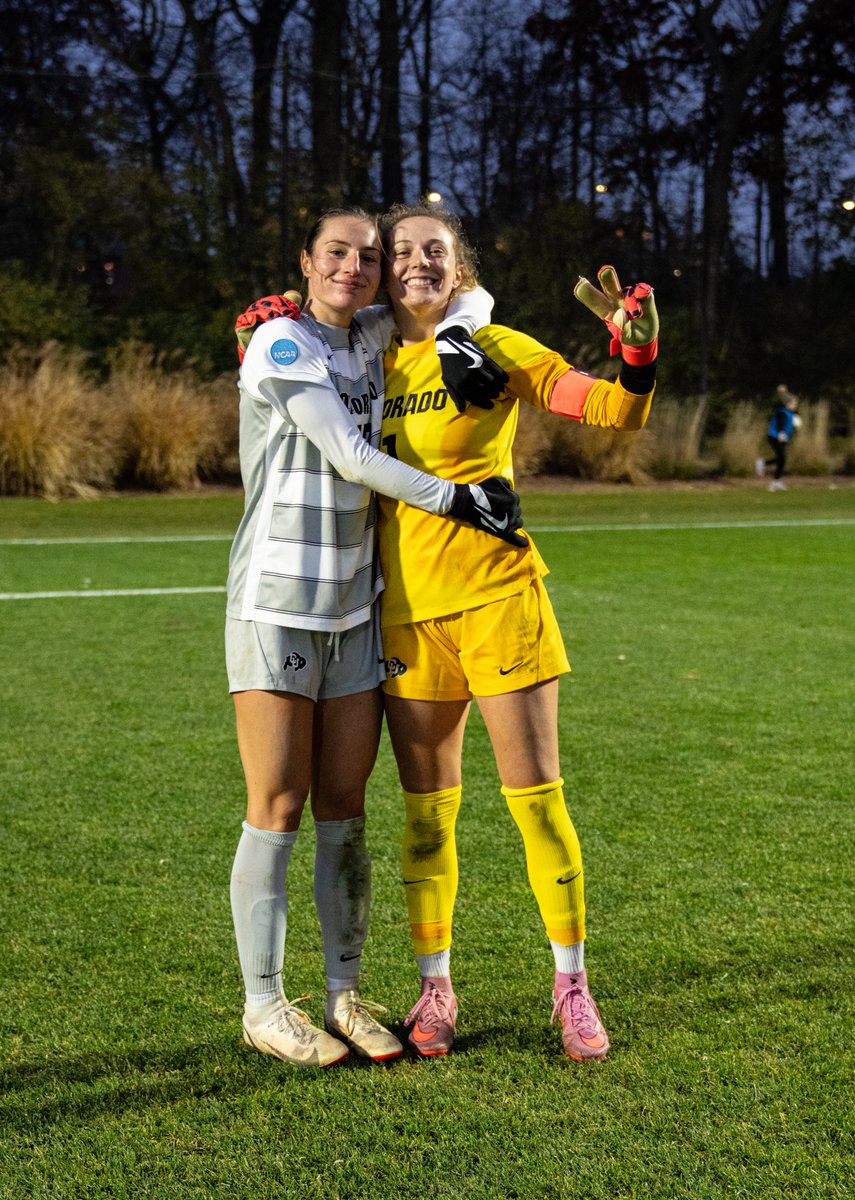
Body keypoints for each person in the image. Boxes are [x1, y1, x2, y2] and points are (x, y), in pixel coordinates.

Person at [227, 206, 520, 1069]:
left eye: (367, 257)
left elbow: (469, 296)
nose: (356, 268)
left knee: (345, 815)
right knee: (277, 810)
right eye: (338, 254)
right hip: (278, 606)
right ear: (306, 263)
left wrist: (464, 333)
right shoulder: (280, 345)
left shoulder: (374, 335)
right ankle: (264, 1005)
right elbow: (352, 456)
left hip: (356, 608)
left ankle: (345, 995)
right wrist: (459, 499)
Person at [374, 202, 658, 1062]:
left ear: (459, 266)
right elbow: (279, 383)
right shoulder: (359, 354)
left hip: (500, 596)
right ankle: (434, 989)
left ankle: (571, 985)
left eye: (435, 249)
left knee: (536, 804)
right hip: (406, 614)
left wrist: (635, 350)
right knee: (426, 821)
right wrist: (265, 330)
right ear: (384, 269)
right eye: (401, 251)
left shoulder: (493, 344)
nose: (417, 262)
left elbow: (609, 409)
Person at [756, 384, 800, 491]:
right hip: (775, 437)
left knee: (781, 459)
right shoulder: (783, 412)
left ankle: (776, 481)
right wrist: (781, 434)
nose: (796, 405)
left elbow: (787, 426)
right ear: (788, 404)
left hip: (782, 438)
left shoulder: (789, 413)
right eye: (794, 403)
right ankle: (763, 465)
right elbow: (781, 424)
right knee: (782, 458)